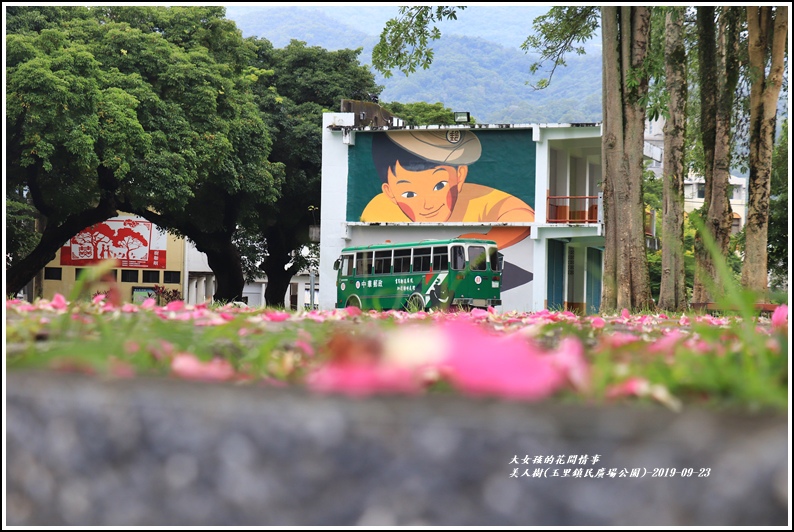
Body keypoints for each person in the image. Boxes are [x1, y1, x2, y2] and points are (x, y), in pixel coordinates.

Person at [361, 129, 534, 250]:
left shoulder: (477, 199)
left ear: (460, 176)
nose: (427, 204)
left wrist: (483, 242)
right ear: (389, 192)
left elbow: (523, 216)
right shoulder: (379, 208)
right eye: (410, 194)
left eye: (439, 186)